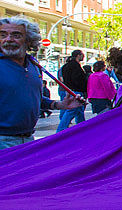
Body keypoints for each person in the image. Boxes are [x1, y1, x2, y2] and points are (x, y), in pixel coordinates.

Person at [0, 16, 84, 148]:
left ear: (28, 40)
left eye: (16, 35)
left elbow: (35, 98)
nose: (8, 39)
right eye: (3, 35)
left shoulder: (33, 65)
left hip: (27, 139)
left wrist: (60, 104)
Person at [57, 49, 88, 132]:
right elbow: (77, 79)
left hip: (70, 89)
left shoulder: (65, 66)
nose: (83, 57)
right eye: (82, 55)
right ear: (78, 55)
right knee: (72, 110)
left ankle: (82, 127)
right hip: (76, 90)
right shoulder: (75, 66)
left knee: (79, 110)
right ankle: (61, 129)